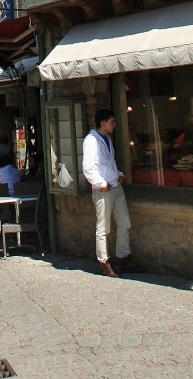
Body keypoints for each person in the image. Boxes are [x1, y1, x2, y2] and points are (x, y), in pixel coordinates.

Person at [82, 108, 134, 278]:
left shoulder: (107, 139)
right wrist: (101, 183)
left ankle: (123, 256)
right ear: (103, 123)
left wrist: (118, 175)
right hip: (105, 189)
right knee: (103, 227)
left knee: (124, 222)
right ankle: (104, 261)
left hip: (115, 186)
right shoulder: (91, 141)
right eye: (112, 121)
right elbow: (88, 167)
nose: (114, 124)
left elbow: (108, 163)